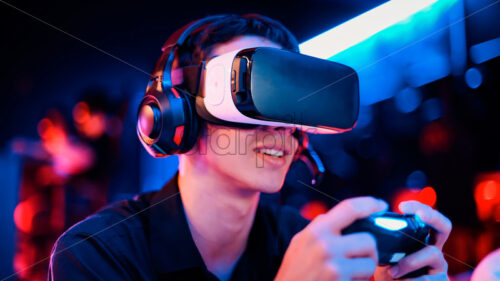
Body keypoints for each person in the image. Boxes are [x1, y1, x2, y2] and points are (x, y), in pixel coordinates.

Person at [49, 14, 452, 281]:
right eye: (252, 94)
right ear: (176, 115)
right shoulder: (98, 254)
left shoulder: (304, 241)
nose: (279, 125)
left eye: (290, 102)